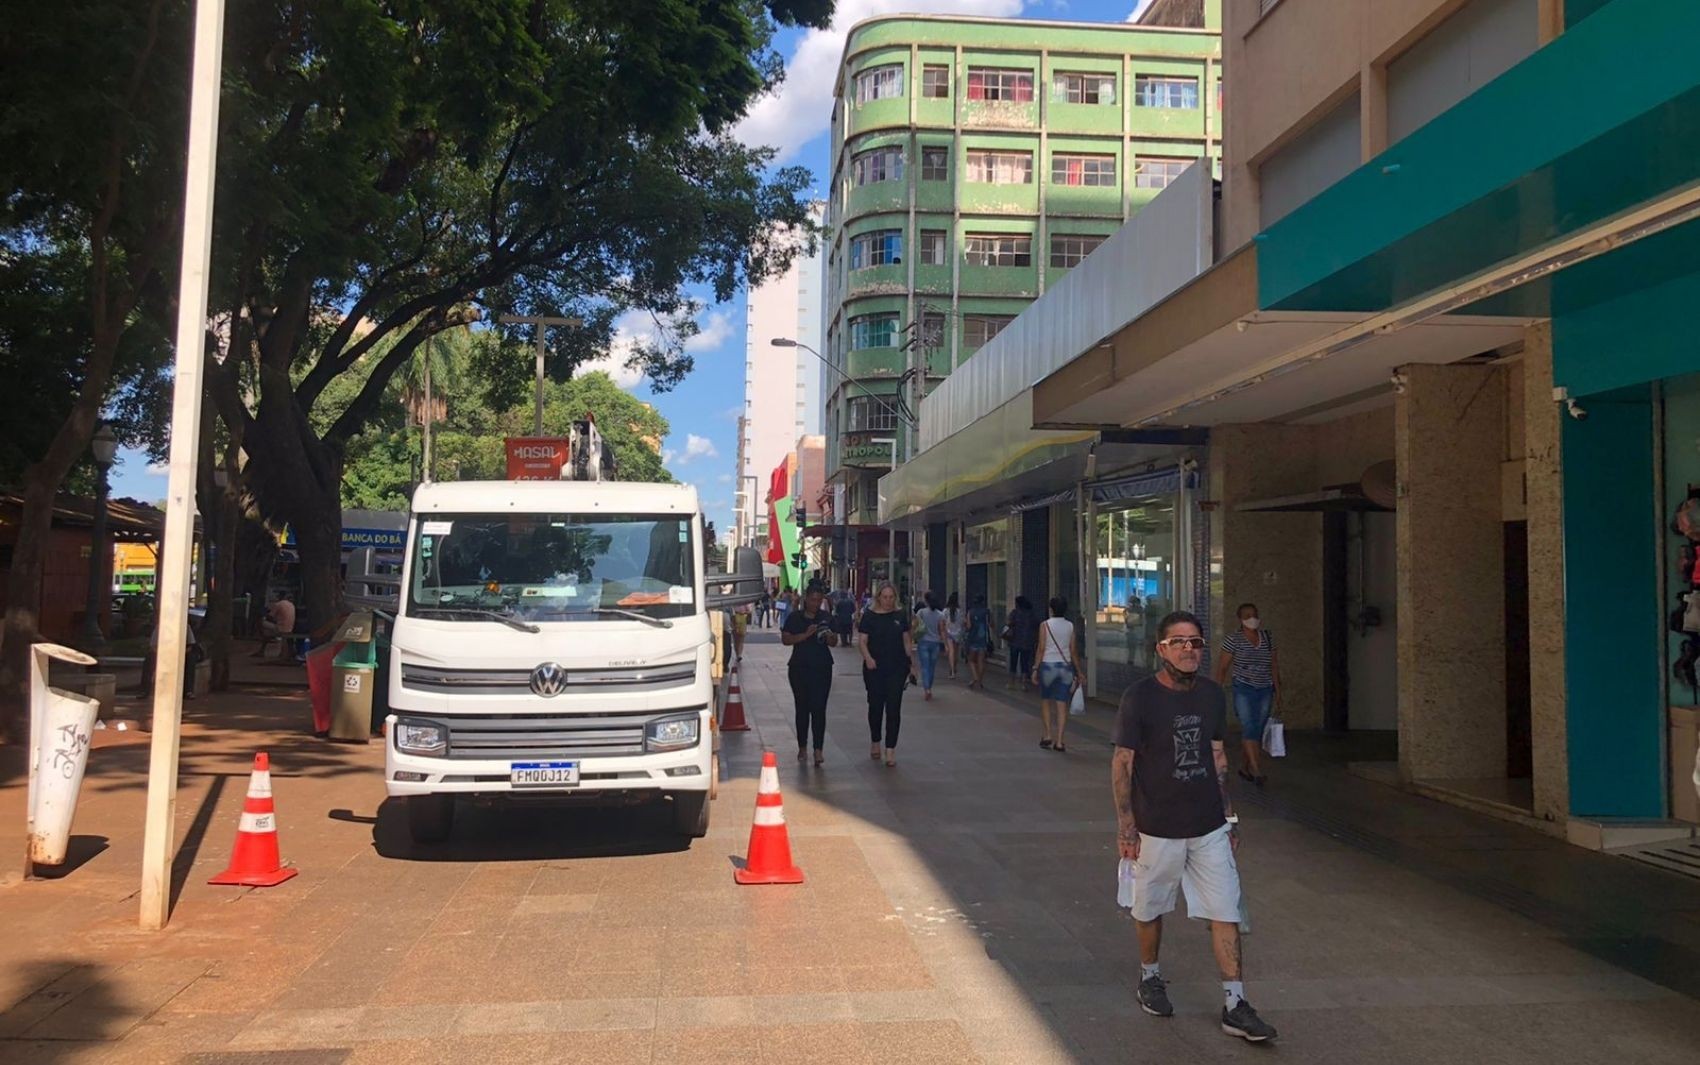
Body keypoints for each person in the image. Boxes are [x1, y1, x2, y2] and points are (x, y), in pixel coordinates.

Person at [1111, 611, 1277, 1044]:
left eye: (1197, 642)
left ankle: (1235, 1003)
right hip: (1156, 827)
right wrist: (1127, 827)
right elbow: (1123, 762)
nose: (1190, 649)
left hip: (1207, 826)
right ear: (1160, 649)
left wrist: (1229, 815)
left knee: (1226, 909)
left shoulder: (1210, 695)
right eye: (1179, 642)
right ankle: (1150, 976)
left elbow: (1219, 755)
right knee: (1149, 909)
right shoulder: (1139, 697)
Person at [1214, 602, 1280, 787]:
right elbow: (1223, 667)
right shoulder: (1233, 639)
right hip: (1243, 688)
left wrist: (1278, 691)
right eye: (1247, 615)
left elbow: (1274, 666)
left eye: (1254, 614)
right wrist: (1216, 691)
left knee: (1257, 729)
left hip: (1265, 688)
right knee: (1249, 726)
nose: (1252, 618)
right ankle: (1257, 770)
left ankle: (1245, 767)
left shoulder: (1267, 638)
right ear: (1240, 619)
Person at [858, 582, 916, 766]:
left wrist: (912, 663)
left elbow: (906, 640)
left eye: (891, 597)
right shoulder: (869, 616)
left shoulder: (900, 616)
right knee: (875, 707)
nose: (888, 601)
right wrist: (868, 658)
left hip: (896, 668)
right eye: (885, 597)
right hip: (874, 668)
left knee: (893, 708)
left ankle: (890, 749)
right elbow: (862, 641)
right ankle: (876, 740)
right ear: (878, 598)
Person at [782, 581, 838, 766]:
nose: (815, 604)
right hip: (799, 668)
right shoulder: (795, 618)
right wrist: (805, 635)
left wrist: (829, 636)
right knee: (802, 708)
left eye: (818, 600)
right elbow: (786, 639)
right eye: (812, 600)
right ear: (806, 599)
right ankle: (802, 747)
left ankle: (818, 749)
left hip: (822, 668)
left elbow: (833, 641)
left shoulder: (826, 617)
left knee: (819, 708)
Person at [1034, 596, 1084, 752]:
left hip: (1048, 666)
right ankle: (1060, 741)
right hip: (1065, 667)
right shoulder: (1070, 626)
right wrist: (1079, 671)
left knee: (1046, 701)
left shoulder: (1045, 625)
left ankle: (1048, 735)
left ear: (1051, 609)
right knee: (1062, 704)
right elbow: (1073, 650)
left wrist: (1035, 668)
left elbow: (1041, 648)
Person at [913, 592, 947, 701]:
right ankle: (929, 687)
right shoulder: (940, 614)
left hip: (923, 642)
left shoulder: (921, 612)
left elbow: (915, 625)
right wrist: (946, 644)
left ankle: (927, 689)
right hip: (935, 643)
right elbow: (942, 630)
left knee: (925, 667)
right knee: (932, 667)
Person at [1005, 595, 1039, 691]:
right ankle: (1023, 684)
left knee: (1013, 663)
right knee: (1025, 663)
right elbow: (1037, 625)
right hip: (1027, 642)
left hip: (1015, 641)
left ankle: (1011, 682)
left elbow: (1008, 623)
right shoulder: (1031, 614)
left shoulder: (1015, 613)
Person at [252, 591, 296, 658]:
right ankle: (262, 649)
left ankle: (259, 635)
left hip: (280, 628)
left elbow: (270, 617)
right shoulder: (291, 604)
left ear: (279, 597)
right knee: (267, 633)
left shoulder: (278, 604)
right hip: (289, 628)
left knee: (261, 622)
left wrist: (265, 614)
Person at [964, 594, 993, 690]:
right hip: (983, 638)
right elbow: (991, 624)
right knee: (981, 661)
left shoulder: (970, 612)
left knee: (971, 660)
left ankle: (975, 677)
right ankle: (979, 681)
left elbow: (968, 626)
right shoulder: (987, 612)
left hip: (973, 638)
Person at [943, 592, 964, 679]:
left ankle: (952, 671)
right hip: (958, 633)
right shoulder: (959, 611)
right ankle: (954, 667)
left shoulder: (945, 611)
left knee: (951, 652)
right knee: (956, 652)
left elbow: (943, 622)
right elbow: (962, 622)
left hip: (949, 633)